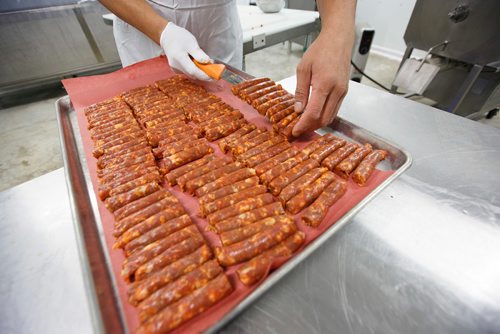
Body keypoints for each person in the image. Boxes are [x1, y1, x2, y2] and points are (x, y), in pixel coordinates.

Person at [99, 0, 355, 137]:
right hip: (141, 20)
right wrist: (163, 32)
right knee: (151, 126)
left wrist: (338, 31)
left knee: (232, 108)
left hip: (218, 23)